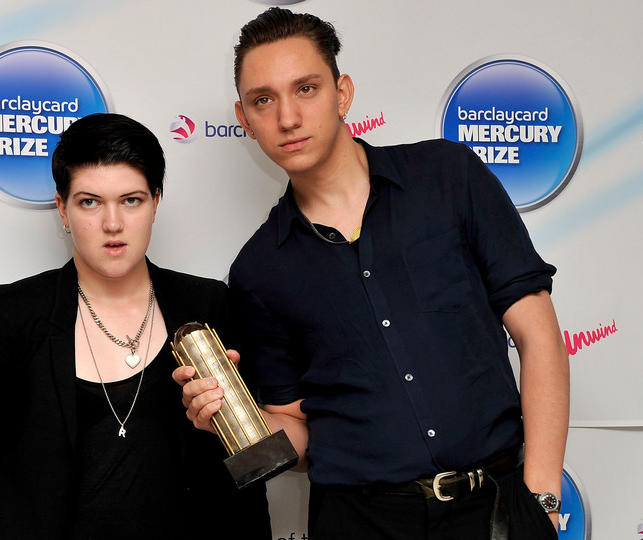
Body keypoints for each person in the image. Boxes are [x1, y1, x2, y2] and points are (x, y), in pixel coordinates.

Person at [176, 8, 570, 540]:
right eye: (263, 100)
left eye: (306, 89)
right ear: (244, 119)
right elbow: (297, 435)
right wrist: (231, 421)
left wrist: (542, 496)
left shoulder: (449, 178)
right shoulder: (257, 270)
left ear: (343, 93)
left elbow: (539, 335)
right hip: (358, 521)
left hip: (494, 511)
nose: (287, 117)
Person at [0, 113, 270, 540]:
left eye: (131, 200)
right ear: (63, 208)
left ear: (156, 201)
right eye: (89, 202)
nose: (112, 224)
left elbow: (257, 457)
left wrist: (228, 418)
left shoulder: (209, 306)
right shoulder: (14, 314)